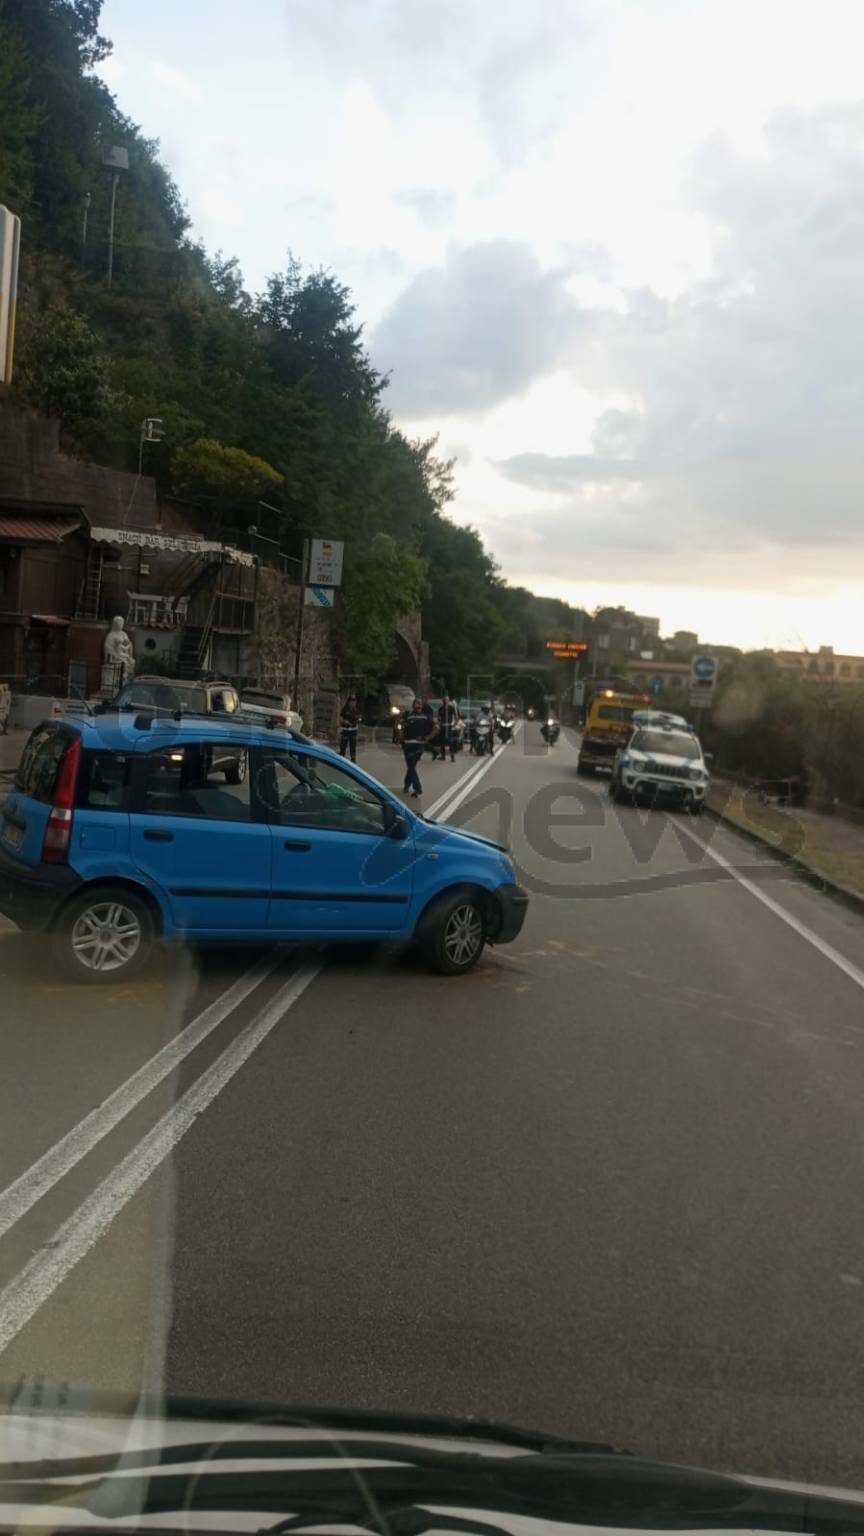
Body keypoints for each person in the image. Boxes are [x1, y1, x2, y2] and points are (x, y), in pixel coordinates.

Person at [402, 697, 437, 798]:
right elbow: (401, 727)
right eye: (417, 704)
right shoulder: (408, 716)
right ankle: (409, 785)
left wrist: (428, 738)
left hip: (419, 746)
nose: (419, 705)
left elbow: (436, 727)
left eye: (420, 704)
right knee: (411, 766)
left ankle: (416, 787)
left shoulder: (425, 717)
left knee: (411, 766)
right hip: (408, 744)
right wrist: (400, 738)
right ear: (413, 705)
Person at [436, 693, 460, 762]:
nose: (445, 701)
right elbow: (439, 718)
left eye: (446, 700)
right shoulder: (440, 709)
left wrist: (455, 723)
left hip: (449, 726)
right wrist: (438, 723)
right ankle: (443, 755)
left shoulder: (451, 708)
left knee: (450, 741)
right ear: (442, 701)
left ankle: (452, 756)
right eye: (444, 700)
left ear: (448, 701)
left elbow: (456, 716)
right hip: (442, 726)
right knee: (442, 741)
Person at [339, 694, 360, 763]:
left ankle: (353, 759)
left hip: (353, 730)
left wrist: (357, 720)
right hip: (345, 730)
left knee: (353, 745)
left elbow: (359, 718)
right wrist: (344, 721)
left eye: (354, 701)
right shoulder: (345, 709)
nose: (352, 703)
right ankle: (341, 757)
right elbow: (340, 718)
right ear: (348, 702)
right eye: (351, 701)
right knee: (343, 745)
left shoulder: (356, 710)